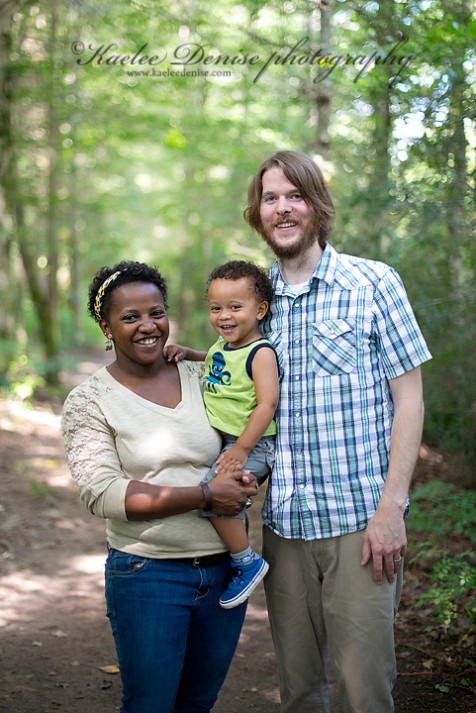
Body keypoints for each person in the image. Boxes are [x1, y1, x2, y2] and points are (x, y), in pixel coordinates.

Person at [244, 151, 432, 713]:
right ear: (257, 213)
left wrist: (391, 511)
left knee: (362, 691)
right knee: (299, 691)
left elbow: (410, 397)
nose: (282, 208)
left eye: (294, 196)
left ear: (317, 207)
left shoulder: (373, 283)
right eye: (270, 198)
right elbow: (236, 380)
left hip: (361, 526)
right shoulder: (258, 303)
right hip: (285, 527)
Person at [61, 260, 259, 713]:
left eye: (156, 312)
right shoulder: (89, 401)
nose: (148, 326)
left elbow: (250, 408)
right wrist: (207, 495)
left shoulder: (202, 377)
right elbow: (104, 494)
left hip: (226, 572)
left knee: (198, 702)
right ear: (106, 327)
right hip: (148, 573)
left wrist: (248, 473)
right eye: (130, 317)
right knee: (150, 704)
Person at [165, 260, 280, 609]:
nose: (224, 316)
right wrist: (189, 354)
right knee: (216, 494)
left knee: (216, 497)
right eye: (216, 308)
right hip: (233, 443)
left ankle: (246, 561)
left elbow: (267, 405)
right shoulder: (224, 345)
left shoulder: (260, 353)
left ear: (260, 310)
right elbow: (217, 363)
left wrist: (243, 449)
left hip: (254, 443)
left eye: (235, 307)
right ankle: (238, 557)